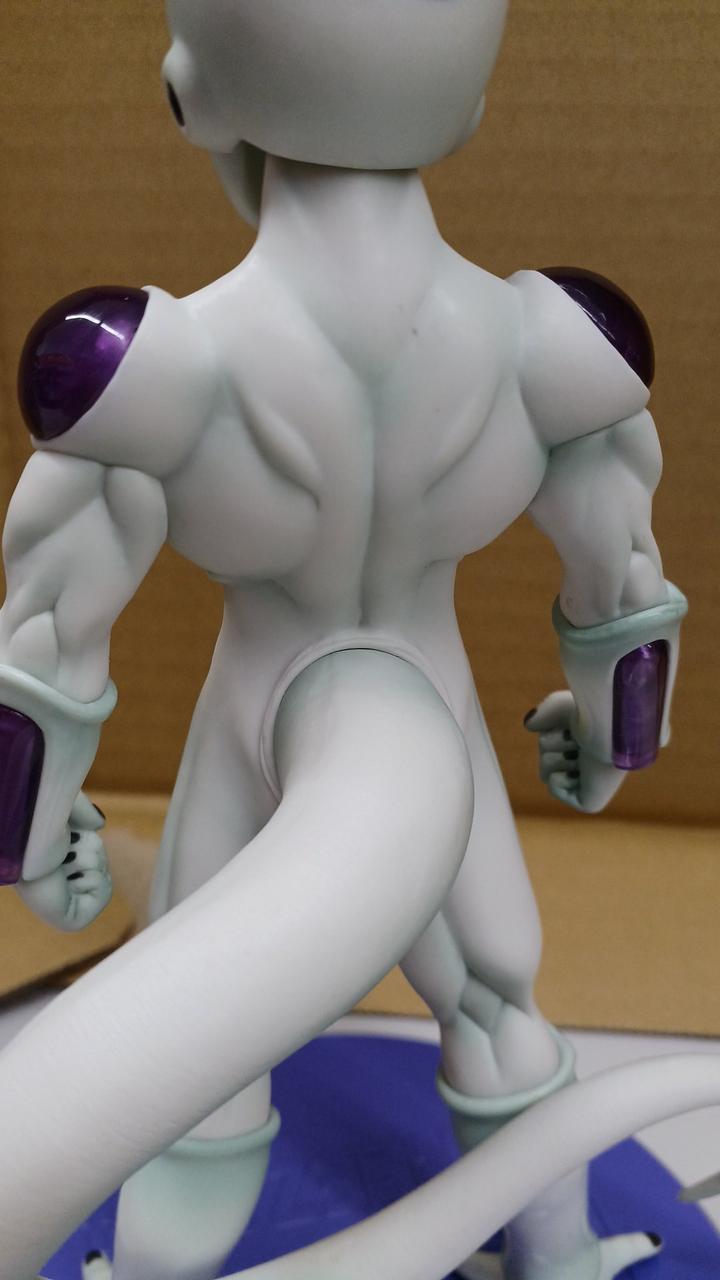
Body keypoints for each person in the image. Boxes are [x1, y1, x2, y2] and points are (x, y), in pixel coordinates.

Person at [0, 3, 687, 1277]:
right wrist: (609, 746)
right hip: (431, 690)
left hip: (254, 703)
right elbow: (626, 586)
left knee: (193, 1033)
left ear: (192, 91)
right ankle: (561, 1255)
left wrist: (30, 843)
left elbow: (44, 638)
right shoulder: (552, 350)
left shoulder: (158, 371)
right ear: (469, 110)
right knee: (496, 999)